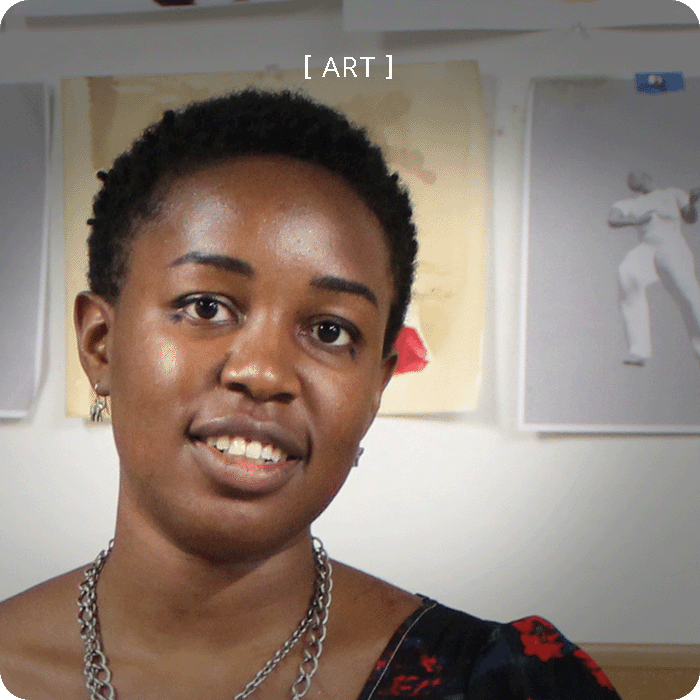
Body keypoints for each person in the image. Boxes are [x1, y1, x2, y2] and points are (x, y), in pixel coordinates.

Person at [0, 89, 620, 699]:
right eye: (207, 306)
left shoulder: (504, 683)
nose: (265, 374)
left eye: (330, 330)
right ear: (100, 344)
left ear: (376, 389)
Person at [608, 171, 700, 366]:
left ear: (647, 178)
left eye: (634, 177)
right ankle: (638, 351)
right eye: (628, 179)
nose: (630, 181)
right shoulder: (629, 204)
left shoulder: (672, 193)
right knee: (627, 274)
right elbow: (613, 219)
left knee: (688, 294)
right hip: (648, 246)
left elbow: (690, 218)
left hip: (671, 244)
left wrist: (693, 200)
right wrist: (635, 221)